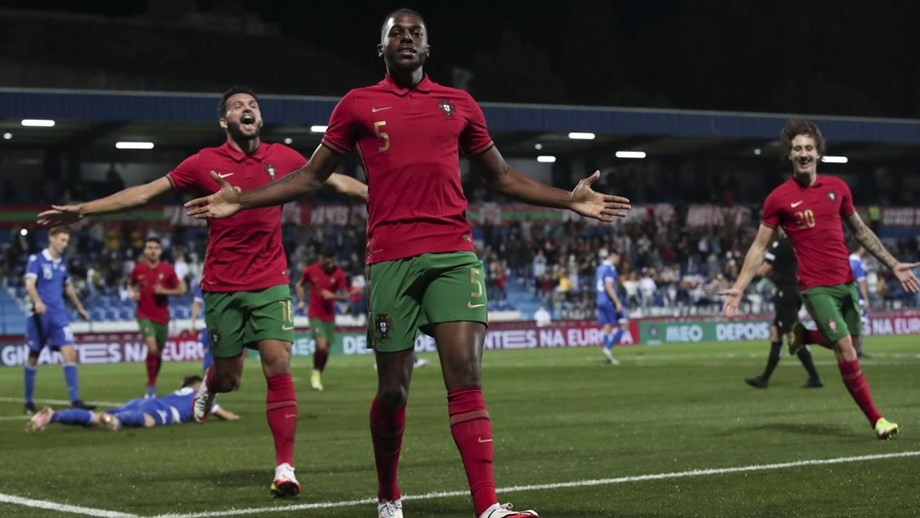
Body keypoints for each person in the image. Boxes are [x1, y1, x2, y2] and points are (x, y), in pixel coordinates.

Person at [184, 10, 630, 518]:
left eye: (415, 33)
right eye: (395, 33)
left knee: (465, 377)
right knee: (393, 392)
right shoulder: (357, 104)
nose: (406, 38)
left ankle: (488, 506)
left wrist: (567, 200)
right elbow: (311, 176)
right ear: (382, 48)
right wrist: (242, 200)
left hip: (453, 254)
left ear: (427, 47)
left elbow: (502, 177)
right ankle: (388, 494)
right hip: (390, 259)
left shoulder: (459, 104)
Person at [36, 85, 368, 498]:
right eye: (237, 107)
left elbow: (333, 180)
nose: (247, 109)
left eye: (253, 105)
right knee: (230, 378)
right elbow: (144, 193)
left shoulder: (283, 157)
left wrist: (380, 196)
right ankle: (210, 383)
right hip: (222, 287)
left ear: (259, 118)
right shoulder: (203, 163)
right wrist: (82, 210)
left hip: (271, 281)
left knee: (277, 363)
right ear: (224, 122)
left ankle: (285, 467)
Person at [720, 119, 919, 440]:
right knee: (846, 350)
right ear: (789, 154)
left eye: (809, 148)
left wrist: (892, 263)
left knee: (852, 345)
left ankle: (806, 336)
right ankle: (877, 420)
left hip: (846, 282)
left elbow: (861, 231)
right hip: (814, 287)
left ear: (818, 153)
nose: (803, 153)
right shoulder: (778, 198)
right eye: (797, 148)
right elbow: (759, 246)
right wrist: (740, 287)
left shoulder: (837, 188)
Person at [23, 226, 93, 414]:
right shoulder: (36, 260)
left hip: (59, 316)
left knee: (70, 353)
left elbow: (68, 288)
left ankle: (75, 400)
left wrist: (80, 308)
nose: (65, 244)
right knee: (33, 357)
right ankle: (28, 401)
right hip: (39, 315)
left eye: (67, 241)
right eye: (62, 240)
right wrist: (37, 302)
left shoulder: (62, 263)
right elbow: (29, 284)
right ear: (51, 238)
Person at [744, 232, 823, 389]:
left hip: (785, 293)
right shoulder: (798, 242)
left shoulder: (780, 244)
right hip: (795, 291)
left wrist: (747, 269)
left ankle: (815, 377)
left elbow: (763, 270)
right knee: (776, 332)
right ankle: (764, 378)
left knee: (793, 335)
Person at [25, 375, 238, 432]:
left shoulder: (181, 391)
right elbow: (225, 416)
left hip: (144, 401)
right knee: (146, 421)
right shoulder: (201, 397)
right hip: (161, 411)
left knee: (95, 419)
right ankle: (116, 420)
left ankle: (54, 416)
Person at [127, 236, 187, 398]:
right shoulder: (138, 269)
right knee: (152, 348)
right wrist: (132, 293)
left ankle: (152, 380)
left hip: (162, 317)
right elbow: (130, 284)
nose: (152, 250)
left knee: (158, 354)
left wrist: (165, 291)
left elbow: (182, 289)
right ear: (145, 250)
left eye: (156, 248)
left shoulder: (167, 269)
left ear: (160, 251)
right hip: (144, 314)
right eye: (150, 247)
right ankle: (152, 385)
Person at [296, 247, 347, 391]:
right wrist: (301, 300)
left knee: (326, 350)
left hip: (329, 317)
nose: (329, 264)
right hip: (315, 314)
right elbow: (299, 285)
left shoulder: (339, 274)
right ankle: (316, 374)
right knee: (322, 346)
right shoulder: (311, 270)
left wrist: (333, 296)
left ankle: (317, 372)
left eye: (331, 261)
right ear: (321, 259)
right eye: (326, 261)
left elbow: (345, 296)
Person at [595, 249, 626, 365]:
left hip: (599, 299)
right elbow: (609, 286)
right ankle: (608, 347)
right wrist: (617, 301)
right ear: (612, 256)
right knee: (624, 323)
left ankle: (608, 356)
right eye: (617, 257)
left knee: (607, 326)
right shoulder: (609, 269)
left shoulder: (599, 269)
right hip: (609, 300)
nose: (618, 260)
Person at [848, 239, 871, 358]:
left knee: (851, 325)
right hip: (858, 298)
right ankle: (857, 351)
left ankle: (852, 350)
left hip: (849, 297)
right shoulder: (857, 264)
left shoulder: (847, 261)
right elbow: (861, 283)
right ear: (860, 248)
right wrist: (866, 299)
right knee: (860, 325)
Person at [188, 280, 213, 372]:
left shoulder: (205, 283)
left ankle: (210, 376)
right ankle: (209, 376)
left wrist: (192, 323)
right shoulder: (204, 284)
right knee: (209, 350)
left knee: (212, 351)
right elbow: (196, 303)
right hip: (208, 323)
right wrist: (192, 322)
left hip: (216, 323)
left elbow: (196, 303)